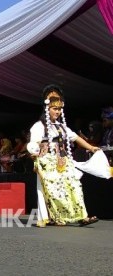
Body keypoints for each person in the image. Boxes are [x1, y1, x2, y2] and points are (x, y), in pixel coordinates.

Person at [26, 84, 100, 227]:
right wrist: (35, 151)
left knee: (74, 186)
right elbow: (33, 143)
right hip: (46, 163)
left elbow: (75, 138)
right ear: (47, 109)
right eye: (55, 109)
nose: (58, 112)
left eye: (60, 109)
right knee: (48, 191)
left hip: (62, 161)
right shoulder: (38, 126)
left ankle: (82, 216)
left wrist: (91, 147)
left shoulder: (61, 126)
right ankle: (47, 217)